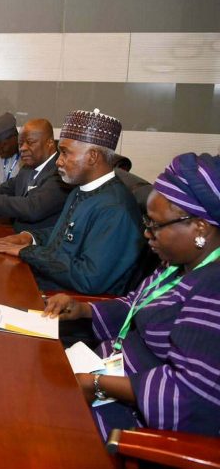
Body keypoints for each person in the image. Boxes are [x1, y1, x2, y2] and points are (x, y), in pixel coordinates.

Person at [43, 153, 220, 440]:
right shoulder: (176, 266)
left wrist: (97, 385)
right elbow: (136, 304)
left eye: (156, 225)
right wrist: (83, 309)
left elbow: (189, 396)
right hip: (102, 371)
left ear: (199, 227)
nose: (147, 234)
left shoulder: (213, 288)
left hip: (131, 423)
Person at [0, 109, 143, 295]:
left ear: (92, 156)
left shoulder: (114, 209)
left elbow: (88, 277)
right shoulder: (80, 190)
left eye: (65, 153)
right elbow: (68, 234)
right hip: (48, 282)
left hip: (67, 300)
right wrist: (30, 237)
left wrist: (28, 252)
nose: (58, 161)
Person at [0, 118, 71, 232]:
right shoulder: (28, 167)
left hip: (38, 240)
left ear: (50, 143)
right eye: (20, 144)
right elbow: (9, 188)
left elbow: (33, 207)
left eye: (30, 142)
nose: (23, 148)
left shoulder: (61, 171)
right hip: (14, 232)